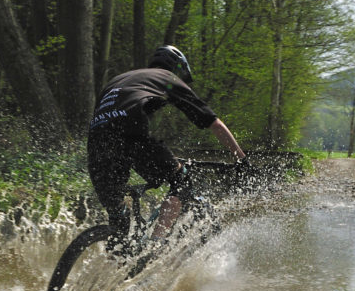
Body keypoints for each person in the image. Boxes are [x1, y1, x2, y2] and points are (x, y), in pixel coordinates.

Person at [87, 45, 247, 249]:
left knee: (119, 221)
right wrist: (242, 160)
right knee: (181, 180)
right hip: (130, 136)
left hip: (96, 143)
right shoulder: (165, 77)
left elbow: (109, 118)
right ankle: (156, 245)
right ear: (178, 68)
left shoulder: (121, 81)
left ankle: (116, 267)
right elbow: (213, 123)